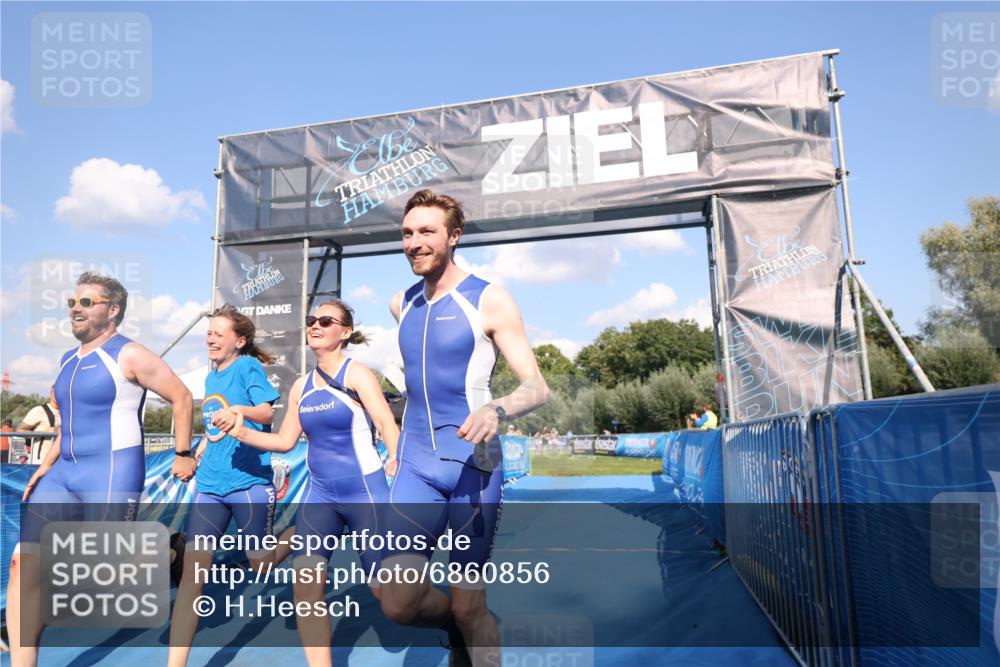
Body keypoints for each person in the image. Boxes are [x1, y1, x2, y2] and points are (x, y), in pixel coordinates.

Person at [380, 189, 549, 666]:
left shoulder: (489, 298)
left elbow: (536, 388)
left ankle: (466, 623)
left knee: (471, 603)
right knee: (397, 603)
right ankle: (451, 622)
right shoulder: (401, 304)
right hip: (416, 467)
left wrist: (496, 409)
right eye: (408, 233)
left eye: (427, 231)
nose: (414, 242)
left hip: (472, 470)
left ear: (454, 236)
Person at [8, 272, 194, 667]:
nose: (76, 308)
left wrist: (182, 452)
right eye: (72, 302)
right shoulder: (66, 360)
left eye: (86, 302)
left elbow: (181, 397)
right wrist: (47, 464)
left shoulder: (130, 354)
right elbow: (70, 422)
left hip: (111, 470)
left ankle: (166, 557)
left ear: (113, 310)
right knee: (23, 564)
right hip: (63, 473)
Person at [224, 299, 399, 667]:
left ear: (345, 332)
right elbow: (285, 441)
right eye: (311, 320)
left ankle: (452, 619)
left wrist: (396, 455)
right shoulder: (301, 386)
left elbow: (385, 421)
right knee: (306, 588)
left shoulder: (358, 374)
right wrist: (241, 432)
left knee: (388, 595)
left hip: (364, 491)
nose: (315, 326)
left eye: (325, 320)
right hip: (320, 496)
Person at [168, 305, 282, 667]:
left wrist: (239, 411)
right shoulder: (210, 376)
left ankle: (295, 536)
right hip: (210, 485)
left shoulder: (247, 366)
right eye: (209, 332)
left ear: (240, 340)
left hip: (248, 482)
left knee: (261, 565)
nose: (211, 338)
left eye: (219, 333)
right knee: (192, 577)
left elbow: (266, 412)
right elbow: (213, 427)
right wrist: (197, 452)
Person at [17, 387, 61, 462]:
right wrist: (45, 433)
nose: (58, 395)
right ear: (50, 393)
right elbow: (19, 431)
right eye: (56, 392)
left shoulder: (68, 412)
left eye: (61, 392)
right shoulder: (38, 410)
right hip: (40, 461)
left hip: (61, 461)